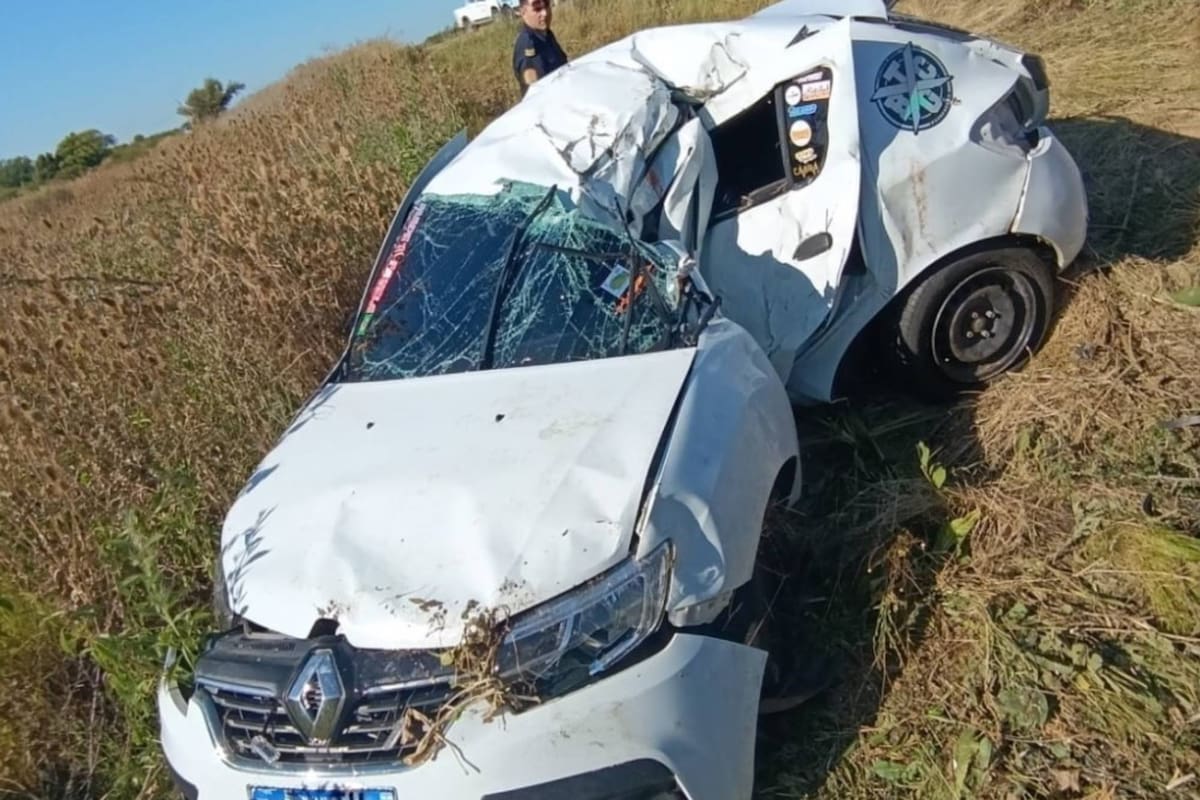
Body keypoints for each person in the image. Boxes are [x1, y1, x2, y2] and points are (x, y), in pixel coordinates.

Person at [512, 0, 568, 97]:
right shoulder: (529, 45)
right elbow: (536, 93)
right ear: (523, 12)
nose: (545, 13)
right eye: (537, 8)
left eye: (546, 5)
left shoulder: (545, 34)